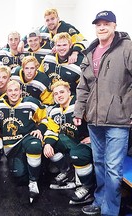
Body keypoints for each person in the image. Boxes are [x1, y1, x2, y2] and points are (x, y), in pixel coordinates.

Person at [73, 10, 132, 216]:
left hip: (119, 120)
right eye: (98, 24)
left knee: (113, 169)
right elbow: (83, 87)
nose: (102, 27)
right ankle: (99, 201)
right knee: (99, 164)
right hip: (94, 120)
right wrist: (79, 111)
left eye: (106, 23)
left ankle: (109, 211)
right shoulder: (91, 52)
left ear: (114, 26)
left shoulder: (127, 48)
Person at [0, 80, 49, 203]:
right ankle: (27, 172)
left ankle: (33, 181)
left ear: (20, 91)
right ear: (6, 92)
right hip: (11, 148)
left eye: (16, 90)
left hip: (27, 139)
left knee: (34, 146)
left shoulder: (31, 103)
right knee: (19, 177)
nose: (13, 93)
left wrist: (40, 129)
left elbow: (45, 119)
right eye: (10, 90)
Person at [43, 80, 94, 205]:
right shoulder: (54, 111)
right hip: (71, 141)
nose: (59, 95)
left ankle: (87, 187)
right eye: (55, 94)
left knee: (77, 154)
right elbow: (52, 129)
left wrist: (93, 137)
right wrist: (48, 144)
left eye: (62, 92)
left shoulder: (80, 103)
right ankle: (68, 172)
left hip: (88, 141)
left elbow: (97, 119)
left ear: (69, 92)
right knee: (48, 146)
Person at [18, 8, 86, 64]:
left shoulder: (68, 28)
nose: (50, 22)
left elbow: (81, 41)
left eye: (52, 19)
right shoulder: (43, 30)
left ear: (58, 19)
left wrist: (75, 53)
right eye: (47, 20)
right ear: (45, 22)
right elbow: (32, 33)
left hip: (70, 60)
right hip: (55, 60)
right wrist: (22, 42)